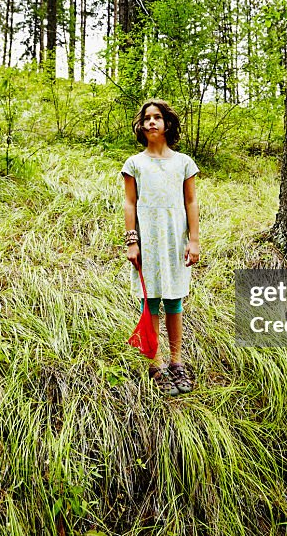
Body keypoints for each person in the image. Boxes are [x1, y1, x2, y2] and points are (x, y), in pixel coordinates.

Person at [121, 99, 200, 395]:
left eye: (157, 117)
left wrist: (193, 240)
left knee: (174, 300)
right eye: (147, 118)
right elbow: (130, 203)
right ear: (141, 126)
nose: (152, 122)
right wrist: (132, 241)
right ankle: (156, 364)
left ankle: (177, 362)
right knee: (150, 300)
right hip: (147, 241)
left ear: (167, 124)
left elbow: (191, 202)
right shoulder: (134, 164)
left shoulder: (183, 163)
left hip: (174, 241)